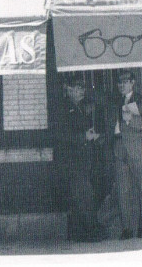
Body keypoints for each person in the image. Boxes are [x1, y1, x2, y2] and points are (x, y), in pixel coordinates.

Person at [55, 73, 106, 242]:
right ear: (67, 88)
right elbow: (61, 136)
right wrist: (84, 137)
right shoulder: (63, 108)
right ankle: (89, 232)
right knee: (83, 196)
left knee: (83, 195)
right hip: (72, 161)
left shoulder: (78, 106)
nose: (81, 91)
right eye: (78, 87)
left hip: (83, 161)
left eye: (83, 87)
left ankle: (82, 231)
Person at [107, 70, 142, 240]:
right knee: (122, 191)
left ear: (133, 82)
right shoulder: (114, 101)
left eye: (125, 81)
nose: (121, 85)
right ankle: (127, 227)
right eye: (119, 82)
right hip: (119, 148)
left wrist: (131, 119)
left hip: (140, 150)